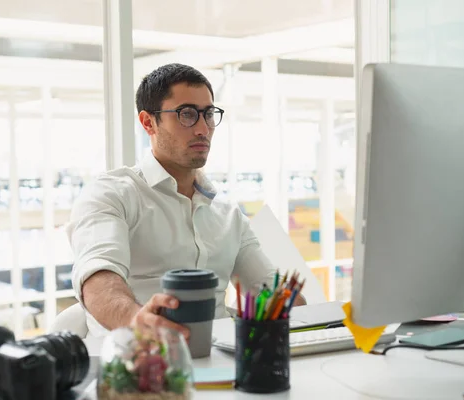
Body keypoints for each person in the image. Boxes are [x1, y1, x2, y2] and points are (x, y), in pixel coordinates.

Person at [67, 63, 306, 340]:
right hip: (138, 364)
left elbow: (272, 296)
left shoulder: (229, 217)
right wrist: (137, 320)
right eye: (187, 115)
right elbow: (98, 280)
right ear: (148, 122)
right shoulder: (112, 194)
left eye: (208, 114)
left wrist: (307, 318)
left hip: (221, 362)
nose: (203, 129)